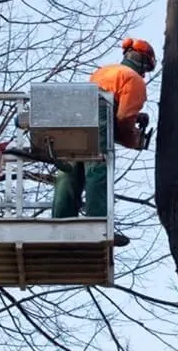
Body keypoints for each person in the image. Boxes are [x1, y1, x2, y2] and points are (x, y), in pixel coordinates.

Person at [51, 37, 156, 222]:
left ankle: (60, 220)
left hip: (72, 108)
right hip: (97, 109)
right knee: (97, 166)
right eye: (146, 69)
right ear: (141, 60)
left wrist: (134, 118)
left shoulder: (105, 71)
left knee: (69, 167)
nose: (145, 75)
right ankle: (97, 220)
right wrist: (134, 140)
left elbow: (113, 104)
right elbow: (123, 118)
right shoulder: (134, 80)